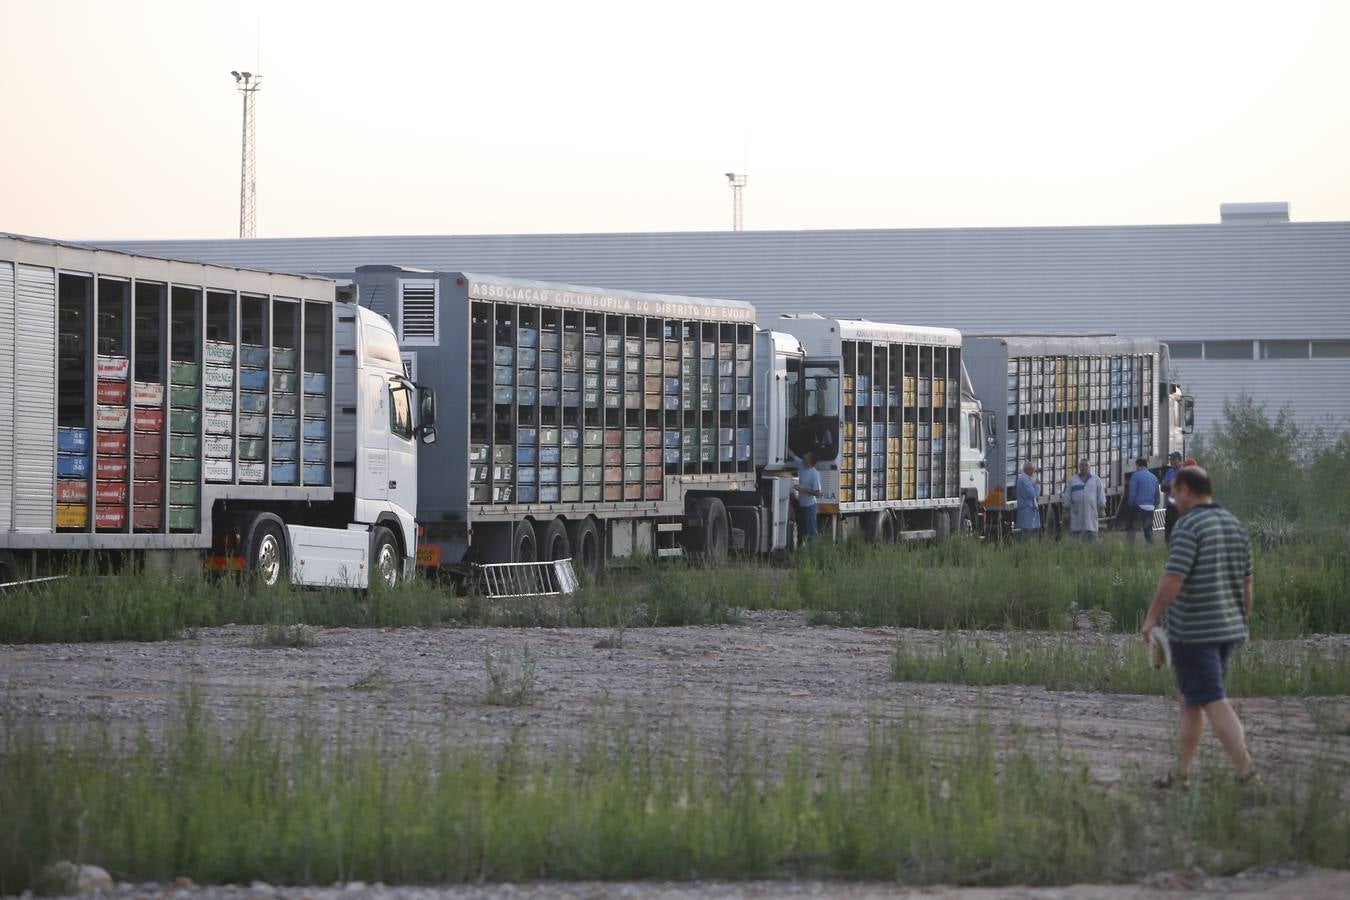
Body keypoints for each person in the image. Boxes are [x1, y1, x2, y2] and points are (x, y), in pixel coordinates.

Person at [1141, 466, 1257, 789]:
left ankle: (1248, 772)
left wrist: (1152, 617)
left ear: (1187, 489)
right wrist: (1242, 622)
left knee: (1212, 698)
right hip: (1228, 630)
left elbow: (1174, 578)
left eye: (1175, 492)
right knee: (1191, 701)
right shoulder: (1235, 526)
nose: (1174, 500)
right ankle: (1182, 774)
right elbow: (1247, 585)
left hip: (1195, 633)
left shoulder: (1189, 526)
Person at [1061, 458, 1106, 542]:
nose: (1084, 467)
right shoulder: (1072, 480)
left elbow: (1101, 495)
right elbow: (1067, 496)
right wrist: (1066, 510)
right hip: (1077, 516)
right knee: (1077, 542)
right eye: (1082, 465)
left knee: (1093, 542)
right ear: (1079, 466)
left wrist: (1102, 508)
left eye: (1086, 465)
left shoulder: (1096, 480)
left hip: (1091, 517)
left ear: (1090, 467)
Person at [784, 447, 822, 542]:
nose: (805, 454)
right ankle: (802, 552)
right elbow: (792, 455)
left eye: (807, 455)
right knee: (801, 531)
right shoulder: (801, 464)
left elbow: (817, 493)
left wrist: (803, 489)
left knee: (811, 532)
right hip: (802, 506)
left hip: (810, 507)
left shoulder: (814, 474)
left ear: (809, 461)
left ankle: (813, 550)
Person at [1124, 457, 1160, 545]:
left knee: (1132, 530)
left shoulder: (1136, 476)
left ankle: (1129, 550)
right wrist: (1154, 506)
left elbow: (1132, 493)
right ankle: (1151, 549)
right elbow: (1157, 496)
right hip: (1150, 508)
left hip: (1138, 507)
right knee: (1148, 532)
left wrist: (1130, 504)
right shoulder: (1154, 477)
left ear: (1137, 465)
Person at [1161, 451, 1184, 542]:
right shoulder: (1169, 472)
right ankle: (1168, 549)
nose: (1171, 462)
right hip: (1169, 506)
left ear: (1180, 461)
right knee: (1168, 529)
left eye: (1174, 460)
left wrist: (1170, 486)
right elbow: (1163, 487)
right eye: (1171, 459)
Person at [1015, 462, 1041, 537]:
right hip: (1027, 510)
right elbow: (1033, 494)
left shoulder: (1025, 479)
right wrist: (1037, 485)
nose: (1033, 472)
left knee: (1028, 532)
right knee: (1028, 533)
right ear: (1027, 469)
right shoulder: (1024, 480)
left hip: (1027, 509)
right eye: (1032, 470)